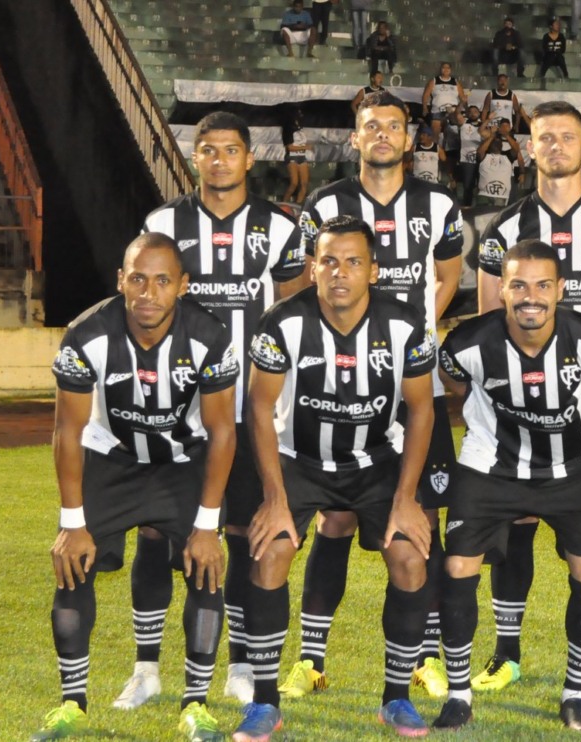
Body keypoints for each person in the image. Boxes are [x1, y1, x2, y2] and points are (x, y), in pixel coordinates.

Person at [121, 112, 304, 713]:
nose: (220, 160)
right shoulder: (163, 223)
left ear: (250, 159)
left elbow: (294, 320)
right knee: (155, 533)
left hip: (250, 414)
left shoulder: (280, 228)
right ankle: (146, 669)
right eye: (208, 150)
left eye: (231, 150)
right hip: (174, 414)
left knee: (243, 537)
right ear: (193, 157)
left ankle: (242, 668)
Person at [232, 215, 439, 740]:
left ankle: (396, 698)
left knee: (410, 556)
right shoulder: (281, 322)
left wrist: (407, 498)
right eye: (328, 261)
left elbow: (421, 412)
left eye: (353, 261)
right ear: (312, 267)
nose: (340, 272)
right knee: (271, 549)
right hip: (297, 460)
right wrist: (275, 498)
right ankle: (264, 702)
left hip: (374, 461)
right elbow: (259, 409)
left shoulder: (404, 325)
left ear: (373, 269)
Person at [292, 91, 464, 701]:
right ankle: (310, 659)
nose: (383, 135)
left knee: (421, 524)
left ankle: (423, 659)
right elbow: (301, 277)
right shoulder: (326, 203)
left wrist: (415, 327)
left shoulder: (438, 202)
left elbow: (448, 274)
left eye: (394, 125)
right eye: (372, 127)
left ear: (410, 134)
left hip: (409, 380)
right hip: (341, 381)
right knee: (334, 518)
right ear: (356, 136)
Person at [33, 233, 238, 742]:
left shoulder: (209, 336)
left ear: (183, 286)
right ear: (121, 279)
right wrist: (73, 523)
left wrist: (208, 526)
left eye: (163, 280)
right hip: (112, 459)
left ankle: (196, 705)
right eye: (138, 278)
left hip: (181, 461)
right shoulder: (86, 335)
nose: (149, 292)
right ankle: (72, 705)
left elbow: (222, 431)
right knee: (72, 565)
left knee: (206, 569)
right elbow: (69, 431)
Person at [474, 100, 581, 693]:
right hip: (521, 401)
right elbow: (484, 314)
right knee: (516, 522)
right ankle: (507, 653)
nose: (554, 147)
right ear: (528, 148)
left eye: (566, 138)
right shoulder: (502, 229)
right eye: (543, 138)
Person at [433, 240, 581, 731]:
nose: (529, 296)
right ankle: (457, 695)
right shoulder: (466, 344)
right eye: (518, 285)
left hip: (571, 470)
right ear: (501, 290)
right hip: (489, 469)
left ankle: (575, 695)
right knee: (457, 566)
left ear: (560, 290)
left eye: (541, 285)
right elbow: (457, 385)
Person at [477, 117, 524, 207]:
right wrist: (491, 136)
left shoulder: (507, 157)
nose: (497, 142)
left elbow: (516, 150)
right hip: (484, 194)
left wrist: (506, 135)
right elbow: (480, 151)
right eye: (502, 126)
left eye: (507, 126)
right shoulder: (485, 156)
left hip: (501, 194)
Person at [281, 106, 312, 205]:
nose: (301, 115)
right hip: (292, 157)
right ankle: (284, 204)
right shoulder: (287, 129)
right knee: (294, 183)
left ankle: (298, 206)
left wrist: (305, 148)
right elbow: (289, 148)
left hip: (302, 157)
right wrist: (305, 148)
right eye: (299, 113)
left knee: (304, 184)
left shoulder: (301, 129)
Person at [454, 105, 484, 207]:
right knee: (468, 186)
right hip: (467, 160)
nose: (473, 113)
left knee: (481, 185)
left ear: (479, 113)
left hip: (481, 159)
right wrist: (462, 102)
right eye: (470, 112)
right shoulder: (464, 123)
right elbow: (457, 113)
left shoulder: (483, 125)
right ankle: (466, 208)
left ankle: (479, 208)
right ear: (467, 114)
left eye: (475, 111)